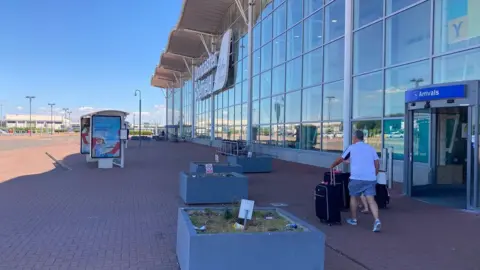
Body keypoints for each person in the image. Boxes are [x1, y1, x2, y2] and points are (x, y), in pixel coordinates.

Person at [330, 130, 382, 232]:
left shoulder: (351, 147)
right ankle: (377, 220)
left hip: (356, 178)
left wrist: (332, 166)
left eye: (353, 137)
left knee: (353, 197)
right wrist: (374, 174)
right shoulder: (371, 148)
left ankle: (354, 219)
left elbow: (340, 159)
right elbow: (377, 163)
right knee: (371, 200)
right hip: (370, 178)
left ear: (355, 138)